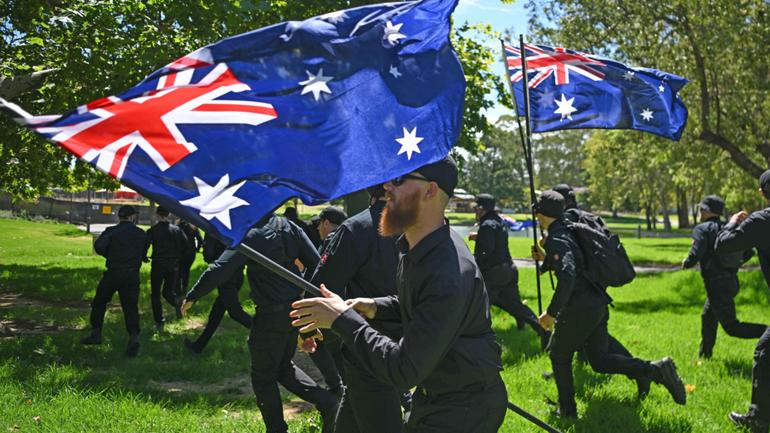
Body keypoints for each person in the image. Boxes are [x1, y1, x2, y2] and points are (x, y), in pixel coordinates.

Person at [290, 156, 508, 433]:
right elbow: (418, 304)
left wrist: (343, 319)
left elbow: (404, 370)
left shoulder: (447, 271)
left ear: (430, 190)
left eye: (398, 180)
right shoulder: (414, 244)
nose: (386, 187)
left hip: (461, 410)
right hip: (436, 398)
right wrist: (375, 306)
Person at [531, 190, 686, 419]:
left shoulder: (558, 237)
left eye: (537, 212)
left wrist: (551, 314)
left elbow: (568, 275)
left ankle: (567, 411)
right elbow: (578, 264)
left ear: (542, 214)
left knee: (559, 355)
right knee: (600, 361)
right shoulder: (571, 228)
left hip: (579, 309)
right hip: (596, 303)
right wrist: (546, 259)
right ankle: (655, 369)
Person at [181, 213, 337, 433]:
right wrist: (305, 297)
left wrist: (193, 294)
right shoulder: (290, 227)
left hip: (271, 316)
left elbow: (221, 267)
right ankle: (328, 403)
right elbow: (317, 265)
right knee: (282, 368)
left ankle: (280, 428)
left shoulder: (251, 234)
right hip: (294, 311)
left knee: (263, 378)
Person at [305, 184, 404, 433]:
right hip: (413, 338)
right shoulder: (417, 223)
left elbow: (323, 287)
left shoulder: (356, 228)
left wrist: (306, 329)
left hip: (369, 344)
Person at [550, 183, 651, 396]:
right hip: (596, 283)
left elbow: (573, 258)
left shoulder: (568, 219)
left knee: (588, 341)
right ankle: (639, 371)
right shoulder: (589, 216)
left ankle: (641, 371)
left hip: (584, 288)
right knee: (596, 337)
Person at [714, 169, 770, 433]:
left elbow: (723, 245)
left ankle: (758, 419)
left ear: (761, 193)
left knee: (764, 352)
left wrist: (732, 222)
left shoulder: (761, 221)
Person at [682, 194, 766, 359]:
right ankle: (705, 355)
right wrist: (734, 263)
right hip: (731, 282)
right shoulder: (730, 227)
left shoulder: (703, 229)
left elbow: (695, 254)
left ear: (706, 211)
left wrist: (686, 262)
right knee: (708, 316)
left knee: (732, 327)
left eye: (701, 209)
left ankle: (767, 333)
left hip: (716, 284)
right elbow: (749, 252)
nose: (700, 212)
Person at [470, 193, 549, 348]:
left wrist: (471, 262)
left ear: (481, 208)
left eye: (476, 207)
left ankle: (477, 341)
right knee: (513, 304)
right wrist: (479, 237)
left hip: (494, 273)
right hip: (509, 270)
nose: (474, 211)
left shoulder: (486, 225)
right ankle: (541, 329)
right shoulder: (498, 221)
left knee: (478, 305)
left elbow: (486, 252)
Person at [81, 205, 146, 358]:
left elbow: (99, 247)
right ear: (132, 217)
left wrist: (111, 255)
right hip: (131, 275)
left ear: (120, 217)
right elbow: (144, 250)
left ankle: (96, 334)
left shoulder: (111, 231)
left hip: (113, 272)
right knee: (130, 307)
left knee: (99, 302)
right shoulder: (140, 233)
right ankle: (134, 337)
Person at [183, 232, 251, 354]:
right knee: (216, 313)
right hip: (238, 274)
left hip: (224, 276)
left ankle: (268, 334)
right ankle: (198, 346)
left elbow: (208, 255)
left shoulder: (213, 230)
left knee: (235, 313)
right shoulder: (235, 227)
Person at [144, 206, 187, 331]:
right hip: (173, 265)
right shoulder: (177, 230)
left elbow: (145, 246)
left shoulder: (153, 231)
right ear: (168, 215)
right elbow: (186, 246)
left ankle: (159, 320)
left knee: (155, 293)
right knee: (168, 292)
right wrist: (179, 257)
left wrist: (144, 257)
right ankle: (177, 304)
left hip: (158, 264)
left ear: (157, 215)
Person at [177, 219, 203, 295]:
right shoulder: (193, 227)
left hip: (179, 252)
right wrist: (197, 249)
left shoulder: (178, 227)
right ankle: (184, 288)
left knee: (178, 271)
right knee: (186, 270)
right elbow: (200, 240)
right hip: (190, 252)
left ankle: (177, 289)